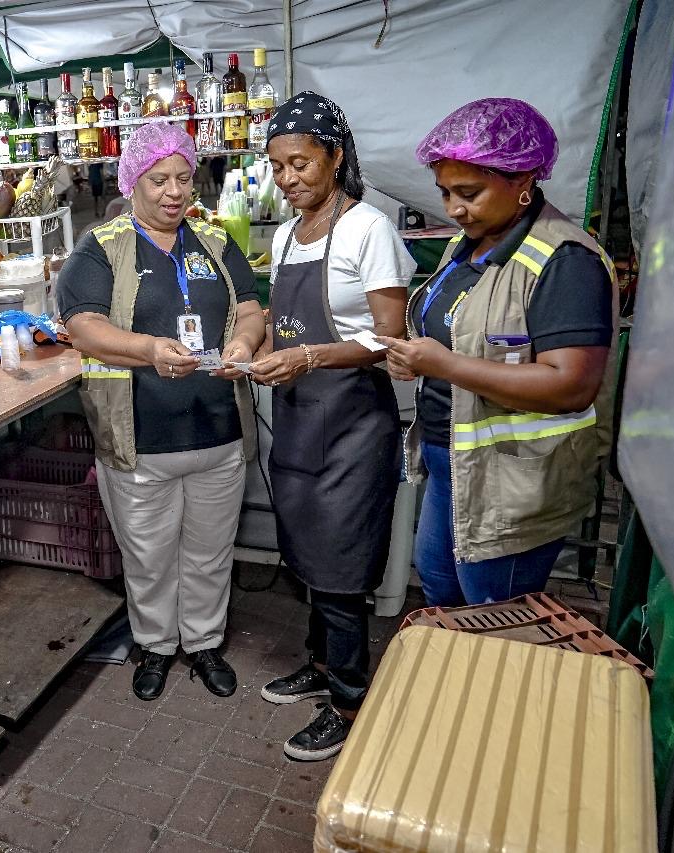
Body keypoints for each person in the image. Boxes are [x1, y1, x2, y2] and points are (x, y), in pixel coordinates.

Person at [380, 98, 616, 608]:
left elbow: (571, 385)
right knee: (442, 589)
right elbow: (460, 333)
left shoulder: (565, 262)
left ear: (522, 179)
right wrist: (415, 358)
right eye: (445, 193)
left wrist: (444, 364)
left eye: (469, 193)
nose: (453, 209)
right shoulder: (466, 244)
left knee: (495, 613)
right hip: (452, 462)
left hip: (513, 479)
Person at [58, 122, 264, 702]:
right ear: (132, 181)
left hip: (218, 432)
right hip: (141, 439)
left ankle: (203, 643)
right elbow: (84, 327)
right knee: (149, 558)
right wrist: (149, 349)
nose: (174, 192)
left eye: (183, 178)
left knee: (209, 554)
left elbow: (251, 308)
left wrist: (243, 343)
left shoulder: (215, 242)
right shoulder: (101, 248)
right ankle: (154, 645)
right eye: (158, 180)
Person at [251, 93, 414, 761]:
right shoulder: (285, 235)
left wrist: (310, 357)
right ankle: (320, 667)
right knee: (308, 552)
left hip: (352, 424)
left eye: (301, 163)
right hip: (297, 417)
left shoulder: (368, 229)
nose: (288, 178)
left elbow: (390, 337)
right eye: (277, 166)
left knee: (342, 564)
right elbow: (282, 323)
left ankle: (349, 701)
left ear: (336, 157)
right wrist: (257, 356)